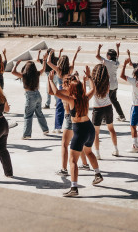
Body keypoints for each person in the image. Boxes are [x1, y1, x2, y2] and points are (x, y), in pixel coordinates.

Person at [48, 68, 103, 197]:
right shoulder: (85, 97)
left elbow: (55, 92)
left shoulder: (72, 100)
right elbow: (93, 89)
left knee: (72, 161)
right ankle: (98, 173)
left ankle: (74, 188)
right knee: (89, 152)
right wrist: (89, 78)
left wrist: (51, 80)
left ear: (72, 90)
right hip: (90, 128)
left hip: (80, 130)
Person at [49, 73, 78, 176]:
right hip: (77, 118)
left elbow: (55, 92)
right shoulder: (78, 91)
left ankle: (64, 169)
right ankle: (85, 164)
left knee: (64, 145)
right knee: (80, 145)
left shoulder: (67, 92)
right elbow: (50, 92)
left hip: (69, 119)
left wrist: (51, 80)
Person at [12, 60, 49, 139]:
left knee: (28, 116)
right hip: (38, 95)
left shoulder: (24, 75)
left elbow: (13, 72)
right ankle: (45, 129)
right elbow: (43, 68)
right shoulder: (37, 74)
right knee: (39, 113)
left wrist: (16, 64)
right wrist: (44, 60)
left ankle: (27, 134)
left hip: (30, 96)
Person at [47, 47, 81, 132]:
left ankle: (58, 127)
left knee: (59, 108)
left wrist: (50, 54)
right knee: (70, 108)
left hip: (60, 90)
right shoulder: (70, 69)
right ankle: (71, 125)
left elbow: (48, 62)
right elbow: (73, 61)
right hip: (69, 90)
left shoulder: (58, 70)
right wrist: (76, 52)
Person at [91, 64, 119, 159]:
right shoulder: (108, 81)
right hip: (108, 107)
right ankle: (116, 149)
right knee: (111, 129)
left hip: (97, 109)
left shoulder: (93, 82)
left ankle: (98, 154)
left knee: (96, 133)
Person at [96, 43, 126, 121]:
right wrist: (117, 47)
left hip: (108, 85)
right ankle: (122, 116)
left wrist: (99, 48)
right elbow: (117, 56)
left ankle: (104, 119)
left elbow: (97, 56)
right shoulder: (116, 62)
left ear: (109, 56)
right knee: (114, 100)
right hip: (115, 85)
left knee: (105, 102)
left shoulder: (107, 62)